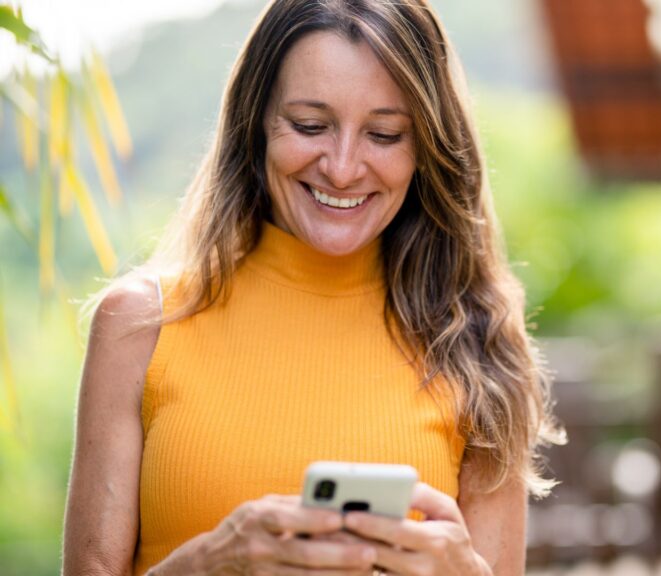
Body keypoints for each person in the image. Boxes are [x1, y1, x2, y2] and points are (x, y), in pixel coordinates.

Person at [61, 1, 561, 574]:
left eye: (384, 134)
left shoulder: (478, 343)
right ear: (257, 125)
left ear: (425, 148)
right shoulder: (141, 326)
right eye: (310, 126)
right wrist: (207, 564)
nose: (343, 168)